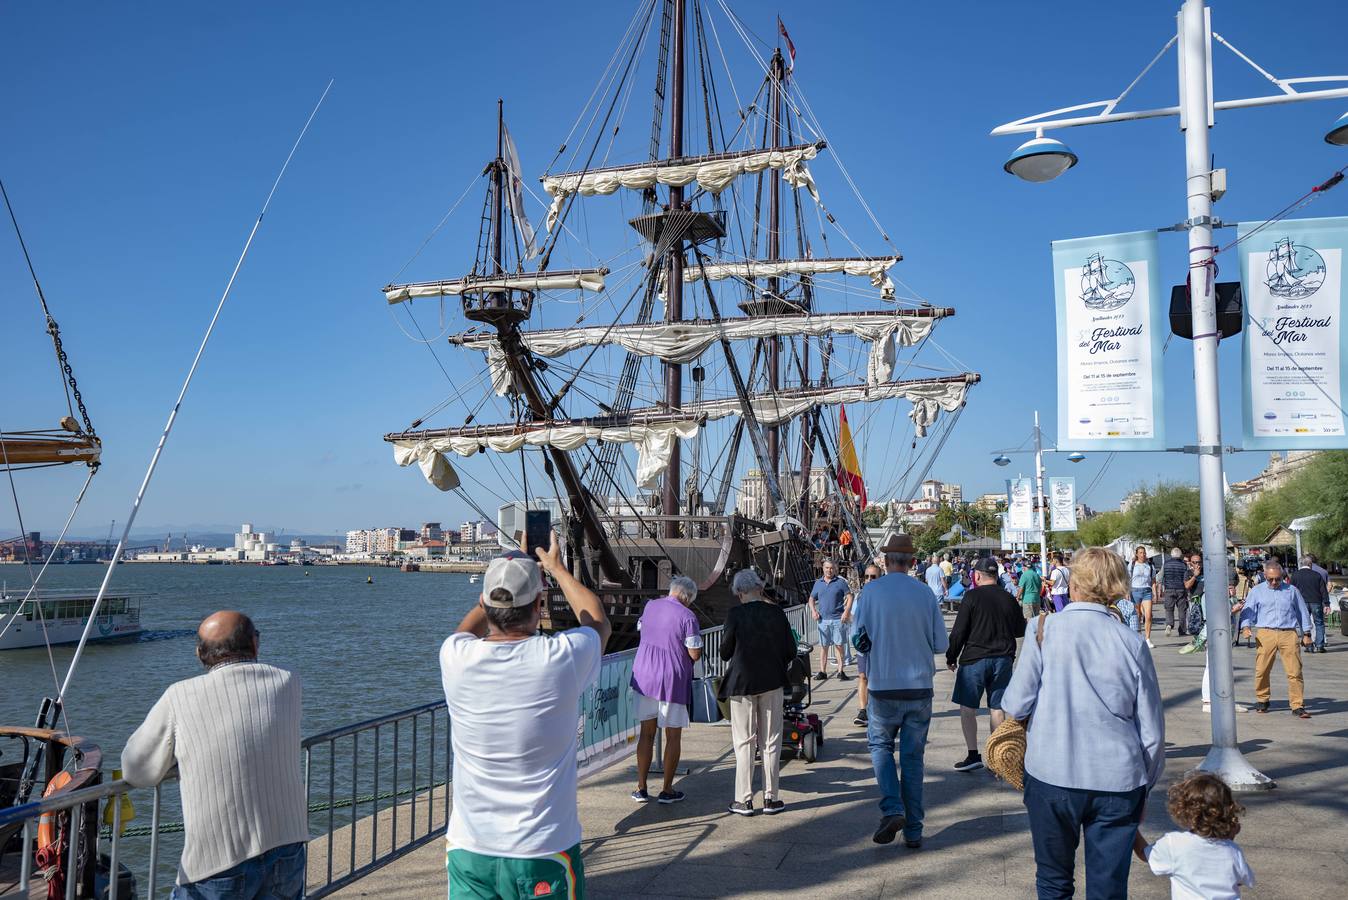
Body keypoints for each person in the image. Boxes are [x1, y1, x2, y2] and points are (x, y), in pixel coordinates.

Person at [438, 535, 611, 898]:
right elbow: (596, 621)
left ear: (484, 604)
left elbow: (464, 632)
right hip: (543, 848)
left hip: (471, 847)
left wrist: (499, 582)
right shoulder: (561, 658)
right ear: (539, 604)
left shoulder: (455, 657)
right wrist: (556, 568)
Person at [1001, 547, 1165, 899]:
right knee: (1108, 888)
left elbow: (1015, 704)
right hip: (1119, 780)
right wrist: (1145, 786)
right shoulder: (1132, 642)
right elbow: (1151, 731)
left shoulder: (1043, 628)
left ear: (1074, 583)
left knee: (1053, 880)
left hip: (1051, 773)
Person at [122, 611, 308, 898]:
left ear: (200, 654)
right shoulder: (288, 682)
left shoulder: (179, 696)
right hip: (287, 847)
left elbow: (136, 770)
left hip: (218, 861)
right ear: (255, 645)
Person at [853, 533, 948, 849]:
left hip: (882, 685)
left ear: (885, 560)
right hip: (919, 686)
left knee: (880, 747)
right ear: (911, 562)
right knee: (912, 760)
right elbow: (940, 644)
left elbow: (859, 639)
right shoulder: (924, 594)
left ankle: (892, 808)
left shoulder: (870, 592)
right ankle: (914, 831)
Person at [720, 569, 798, 816]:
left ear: (741, 592)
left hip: (742, 682)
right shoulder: (776, 613)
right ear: (759, 588)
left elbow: (724, 651)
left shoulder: (735, 614)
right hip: (772, 680)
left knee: (744, 741)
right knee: (771, 739)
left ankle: (743, 800)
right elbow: (791, 650)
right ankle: (771, 798)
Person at [946, 556, 1025, 772]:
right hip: (1003, 659)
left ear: (977, 576)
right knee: (997, 708)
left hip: (974, 659)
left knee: (968, 707)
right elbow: (1020, 630)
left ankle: (973, 755)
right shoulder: (1008, 598)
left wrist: (951, 656)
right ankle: (997, 758)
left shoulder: (971, 597)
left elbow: (959, 631)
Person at [629, 575, 703, 804]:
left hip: (644, 674)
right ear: (687, 596)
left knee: (646, 733)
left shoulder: (651, 605)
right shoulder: (688, 616)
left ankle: (641, 788)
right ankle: (667, 790)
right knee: (673, 735)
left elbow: (641, 628)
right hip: (672, 678)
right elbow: (694, 653)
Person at [1134, 772, 1254, 899]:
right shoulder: (1232, 850)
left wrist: (1131, 828)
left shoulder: (1174, 843)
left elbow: (1145, 854)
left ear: (1182, 810)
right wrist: (1229, 839)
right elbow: (1241, 880)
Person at [1239, 558, 1313, 718]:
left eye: (1277, 579)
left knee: (1295, 671)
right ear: (1264, 575)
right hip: (1266, 633)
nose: (1274, 582)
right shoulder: (1257, 591)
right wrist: (1245, 627)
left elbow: (1302, 611)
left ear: (1283, 576)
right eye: (1270, 579)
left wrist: (1306, 633)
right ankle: (1262, 699)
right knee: (1262, 669)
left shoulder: (1292, 590)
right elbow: (1247, 611)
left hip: (1289, 633)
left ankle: (1297, 705)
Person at [808, 558, 851, 681]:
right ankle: (823, 671)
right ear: (823, 568)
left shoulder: (841, 582)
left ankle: (840, 671)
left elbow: (850, 596)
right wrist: (813, 611)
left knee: (839, 646)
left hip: (838, 619)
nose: (829, 570)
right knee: (824, 647)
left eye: (831, 568)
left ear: (835, 569)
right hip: (823, 620)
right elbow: (811, 599)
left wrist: (847, 611)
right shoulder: (818, 583)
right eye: (827, 568)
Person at [853, 563, 883, 727]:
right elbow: (854, 619)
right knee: (863, 676)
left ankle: (878, 709)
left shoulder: (885, 597)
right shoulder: (860, 596)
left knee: (878, 677)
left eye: (873, 577)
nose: (869, 580)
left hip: (880, 643)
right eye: (867, 577)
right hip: (864, 644)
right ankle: (863, 710)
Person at [1290, 555, 1330, 653]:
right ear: (1310, 564)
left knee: (1304, 624)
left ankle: (1308, 645)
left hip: (1301, 603)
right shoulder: (1317, 575)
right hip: (1316, 602)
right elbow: (1323, 591)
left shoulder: (1295, 575)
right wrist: (1327, 604)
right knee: (1319, 623)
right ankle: (1320, 645)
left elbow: (1291, 591)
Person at [1130, 546, 1157, 648]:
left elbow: (1153, 580)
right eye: (1140, 553)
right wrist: (1127, 593)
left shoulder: (1150, 565)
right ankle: (1138, 636)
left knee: (1148, 615)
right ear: (1137, 554)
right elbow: (1127, 579)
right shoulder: (1132, 565)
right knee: (1137, 616)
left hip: (1147, 591)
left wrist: (1155, 593)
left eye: (1144, 553)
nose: (1143, 555)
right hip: (1135, 591)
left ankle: (1148, 638)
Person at [1161, 548, 1191, 638]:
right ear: (1180, 555)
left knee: (1169, 609)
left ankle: (1169, 625)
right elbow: (1186, 578)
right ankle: (1182, 630)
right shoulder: (1184, 565)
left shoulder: (1166, 564)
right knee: (1182, 610)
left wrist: (1161, 588)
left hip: (1169, 589)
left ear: (1171, 554)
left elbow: (1161, 576)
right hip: (1181, 589)